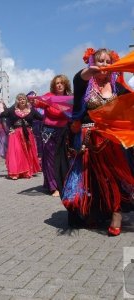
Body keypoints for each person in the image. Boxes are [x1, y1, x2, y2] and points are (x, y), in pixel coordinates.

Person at [62, 48, 134, 236]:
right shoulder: (85, 84)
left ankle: (116, 213)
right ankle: (94, 210)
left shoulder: (118, 87)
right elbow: (80, 77)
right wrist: (92, 69)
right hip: (89, 138)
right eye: (100, 61)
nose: (104, 64)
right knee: (91, 177)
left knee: (114, 176)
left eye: (108, 61)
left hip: (112, 140)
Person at [31, 75, 73, 197]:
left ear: (65, 84)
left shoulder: (70, 98)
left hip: (64, 132)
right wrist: (34, 100)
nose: (59, 85)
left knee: (64, 158)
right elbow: (38, 103)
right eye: (56, 83)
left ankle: (64, 183)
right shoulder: (49, 96)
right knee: (50, 159)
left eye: (61, 83)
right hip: (48, 132)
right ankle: (54, 186)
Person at [0, 93, 42, 180]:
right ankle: (15, 172)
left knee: (26, 152)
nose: (21, 100)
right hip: (15, 134)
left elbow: (42, 118)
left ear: (26, 100)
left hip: (27, 134)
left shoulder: (32, 110)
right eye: (19, 99)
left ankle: (26, 172)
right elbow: (2, 115)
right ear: (17, 101)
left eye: (23, 99)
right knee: (17, 153)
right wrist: (0, 104)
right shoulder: (12, 110)